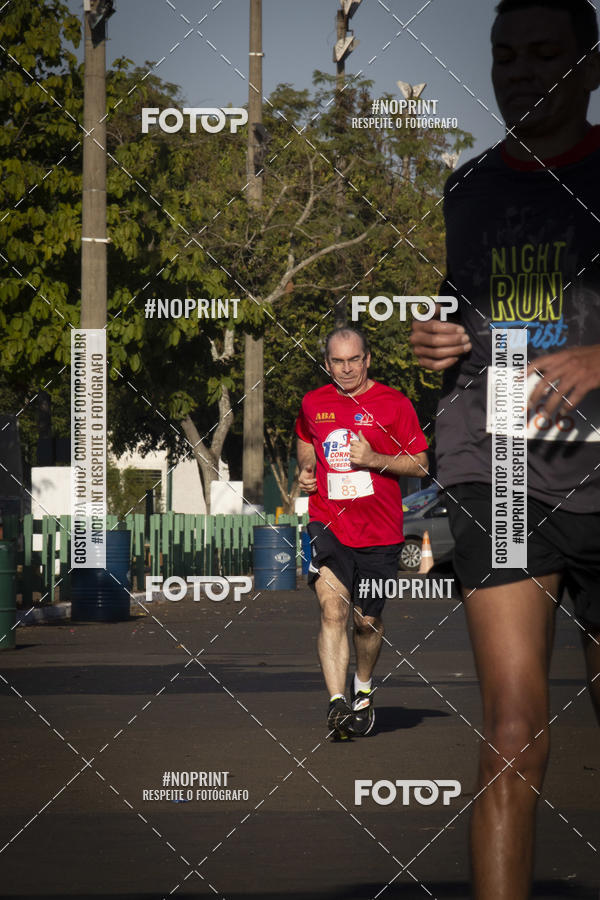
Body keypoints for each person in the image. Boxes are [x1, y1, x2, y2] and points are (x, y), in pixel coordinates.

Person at [410, 1, 600, 896]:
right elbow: (463, 310)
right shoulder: (471, 187)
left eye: (545, 53)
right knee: (513, 724)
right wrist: (440, 340)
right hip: (504, 471)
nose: (521, 71)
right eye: (505, 55)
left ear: (590, 66)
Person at [295, 326, 429, 738]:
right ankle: (337, 704)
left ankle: (364, 688)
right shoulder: (314, 402)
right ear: (327, 363)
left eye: (354, 360)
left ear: (367, 359)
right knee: (332, 610)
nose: (347, 368)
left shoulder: (394, 404)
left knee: (366, 622)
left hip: (380, 531)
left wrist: (373, 458)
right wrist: (307, 469)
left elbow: (421, 464)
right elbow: (304, 439)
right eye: (338, 361)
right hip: (328, 523)